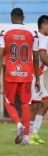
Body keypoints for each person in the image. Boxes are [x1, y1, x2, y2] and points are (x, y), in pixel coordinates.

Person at [0, 8, 40, 146]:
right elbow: (36, 59)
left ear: (12, 17)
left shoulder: (5, 32)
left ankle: (19, 124)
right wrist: (38, 79)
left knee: (8, 103)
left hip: (11, 74)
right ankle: (26, 138)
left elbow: (0, 56)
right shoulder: (33, 34)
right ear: (23, 17)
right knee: (25, 105)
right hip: (27, 75)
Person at [29, 15, 48, 145]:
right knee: (34, 106)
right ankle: (29, 136)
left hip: (34, 74)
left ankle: (33, 132)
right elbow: (42, 56)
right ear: (43, 25)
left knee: (46, 103)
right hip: (36, 75)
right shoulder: (44, 38)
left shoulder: (34, 36)